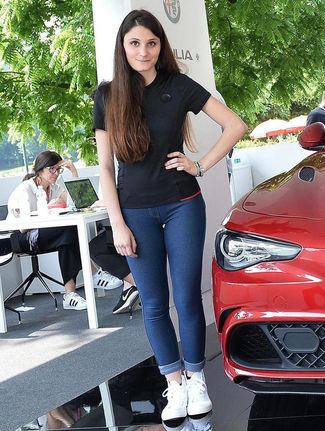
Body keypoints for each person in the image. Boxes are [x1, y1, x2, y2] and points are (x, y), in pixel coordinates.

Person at [92, 9, 246, 427]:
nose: (143, 51)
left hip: (183, 205)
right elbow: (105, 166)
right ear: (123, 48)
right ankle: (174, 384)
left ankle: (197, 379)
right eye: (135, 43)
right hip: (134, 213)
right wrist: (117, 223)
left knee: (187, 298)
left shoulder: (178, 86)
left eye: (151, 43)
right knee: (155, 304)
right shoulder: (107, 96)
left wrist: (200, 164)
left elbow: (235, 124)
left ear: (161, 46)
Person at [4, 151, 88, 311]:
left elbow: (79, 201)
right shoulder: (26, 189)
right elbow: (22, 227)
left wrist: (74, 172)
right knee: (67, 232)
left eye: (58, 169)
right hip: (22, 238)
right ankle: (92, 272)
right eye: (51, 169)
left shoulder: (53, 188)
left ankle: (70, 294)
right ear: (40, 170)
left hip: (43, 235)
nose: (55, 173)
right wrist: (47, 211)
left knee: (69, 233)